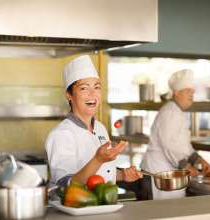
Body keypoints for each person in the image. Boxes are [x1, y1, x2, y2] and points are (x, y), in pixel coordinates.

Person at [46, 55, 143, 200]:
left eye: (96, 87)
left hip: (101, 206)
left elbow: (103, 170)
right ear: (69, 95)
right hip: (72, 210)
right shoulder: (61, 134)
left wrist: (123, 175)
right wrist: (98, 159)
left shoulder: (100, 128)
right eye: (84, 88)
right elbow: (65, 187)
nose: (93, 94)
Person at [140, 69, 210, 200]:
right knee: (165, 211)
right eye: (187, 91)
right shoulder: (170, 112)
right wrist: (186, 166)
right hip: (159, 172)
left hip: (168, 172)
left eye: (193, 92)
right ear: (177, 93)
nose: (191, 95)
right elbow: (168, 145)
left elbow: (182, 144)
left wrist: (198, 159)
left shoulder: (178, 112)